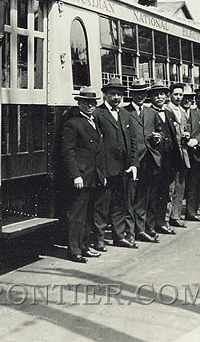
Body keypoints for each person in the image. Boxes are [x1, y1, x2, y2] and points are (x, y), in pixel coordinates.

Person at [61, 86, 107, 263]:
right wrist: (75, 175)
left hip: (93, 174)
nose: (90, 106)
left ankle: (85, 246)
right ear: (79, 103)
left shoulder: (93, 121)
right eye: (86, 102)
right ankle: (74, 250)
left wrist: (101, 174)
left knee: (88, 213)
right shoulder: (73, 124)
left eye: (93, 103)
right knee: (77, 214)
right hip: (82, 175)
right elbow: (68, 152)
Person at [94, 78, 138, 249]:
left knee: (120, 205)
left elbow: (133, 141)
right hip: (106, 169)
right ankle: (98, 239)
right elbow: (96, 144)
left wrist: (133, 164)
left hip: (123, 169)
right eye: (113, 94)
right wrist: (101, 170)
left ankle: (119, 237)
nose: (116, 97)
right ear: (105, 95)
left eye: (119, 94)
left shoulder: (125, 114)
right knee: (102, 206)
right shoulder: (98, 113)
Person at [124, 78, 163, 244]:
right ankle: (129, 232)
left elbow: (160, 131)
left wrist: (158, 137)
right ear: (132, 94)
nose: (139, 96)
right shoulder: (125, 112)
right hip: (133, 160)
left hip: (149, 159)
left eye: (142, 93)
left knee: (143, 197)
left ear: (146, 95)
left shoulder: (151, 113)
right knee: (129, 197)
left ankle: (141, 230)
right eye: (136, 93)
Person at [147, 80, 180, 236]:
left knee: (165, 193)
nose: (159, 97)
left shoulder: (169, 113)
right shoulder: (148, 113)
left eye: (161, 94)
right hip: (155, 160)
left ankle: (162, 222)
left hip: (169, 160)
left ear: (166, 96)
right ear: (151, 97)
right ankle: (151, 225)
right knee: (153, 193)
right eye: (155, 95)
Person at [165, 83, 192, 228]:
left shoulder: (182, 111)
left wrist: (186, 135)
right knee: (170, 187)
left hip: (183, 153)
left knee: (180, 185)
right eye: (176, 94)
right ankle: (165, 218)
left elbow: (185, 128)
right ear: (170, 95)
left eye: (181, 95)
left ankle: (175, 216)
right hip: (170, 154)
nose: (178, 97)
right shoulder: (166, 109)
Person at [185, 89, 200, 222]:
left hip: (195, 154)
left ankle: (191, 212)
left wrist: (197, 140)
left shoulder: (197, 114)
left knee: (194, 184)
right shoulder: (174, 112)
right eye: (185, 98)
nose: (187, 100)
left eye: (190, 98)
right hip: (180, 154)